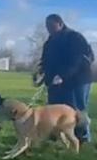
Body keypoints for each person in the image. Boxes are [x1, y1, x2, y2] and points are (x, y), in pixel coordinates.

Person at [39, 14, 94, 143]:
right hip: (56, 82)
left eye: (51, 26)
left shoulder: (75, 38)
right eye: (47, 27)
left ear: (60, 24)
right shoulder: (49, 42)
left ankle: (83, 137)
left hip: (78, 81)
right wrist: (41, 73)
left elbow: (78, 61)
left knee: (77, 110)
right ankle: (57, 135)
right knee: (54, 110)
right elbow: (45, 61)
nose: (49, 29)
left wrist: (63, 75)